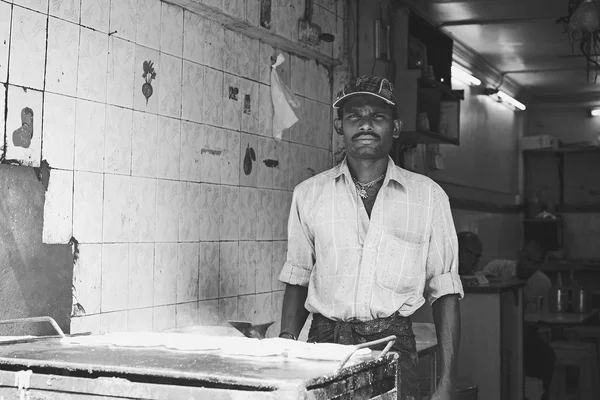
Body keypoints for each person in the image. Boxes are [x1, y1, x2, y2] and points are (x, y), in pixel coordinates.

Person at [277, 75, 464, 400]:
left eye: (377, 116)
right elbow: (298, 278)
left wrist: (447, 380)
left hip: (392, 350)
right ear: (340, 126)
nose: (365, 124)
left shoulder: (428, 198)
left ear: (395, 127)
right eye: (354, 116)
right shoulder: (309, 195)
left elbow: (445, 292)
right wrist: (284, 350)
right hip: (324, 351)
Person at [458, 235, 555, 400]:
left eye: (536, 262)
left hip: (526, 332)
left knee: (543, 356)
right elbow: (484, 284)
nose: (529, 265)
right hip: (492, 329)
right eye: (528, 258)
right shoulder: (497, 268)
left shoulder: (543, 283)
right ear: (520, 253)